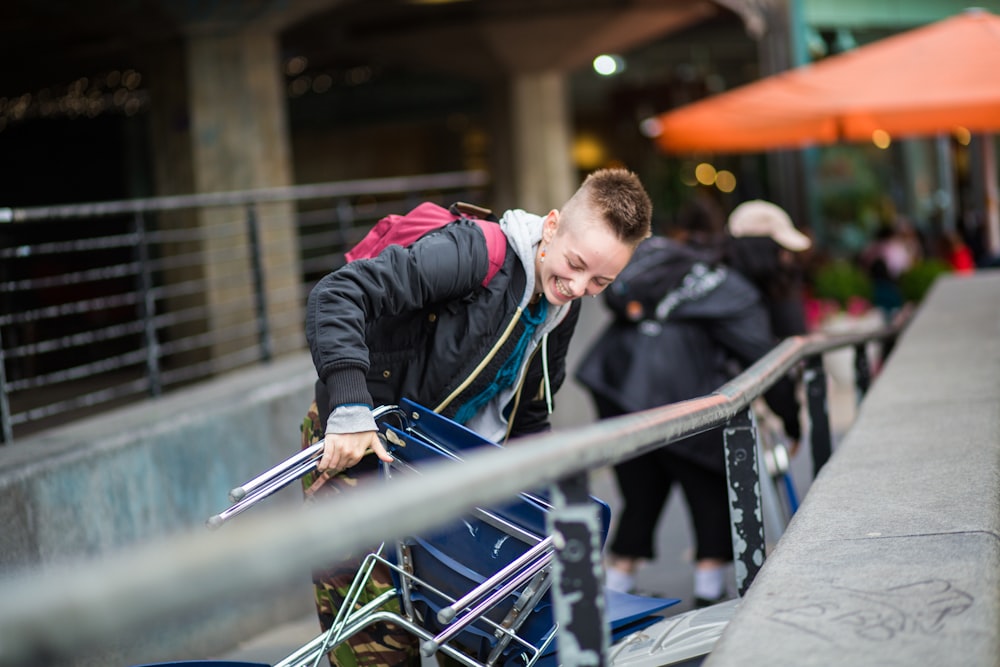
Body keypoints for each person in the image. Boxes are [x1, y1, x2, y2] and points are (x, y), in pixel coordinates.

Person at [301, 168, 653, 667]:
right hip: (362, 441)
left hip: (438, 464)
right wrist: (353, 406)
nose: (578, 286)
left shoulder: (559, 307)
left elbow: (529, 412)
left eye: (601, 280)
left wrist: (539, 503)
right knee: (376, 645)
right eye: (575, 265)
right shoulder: (473, 254)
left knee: (468, 636)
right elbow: (337, 295)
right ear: (551, 226)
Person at [575, 208, 801, 609]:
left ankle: (614, 593)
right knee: (709, 488)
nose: (788, 260)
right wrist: (792, 420)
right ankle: (709, 596)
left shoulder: (688, 263)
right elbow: (766, 363)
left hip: (616, 384)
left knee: (643, 491)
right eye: (783, 250)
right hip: (675, 397)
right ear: (765, 250)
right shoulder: (737, 292)